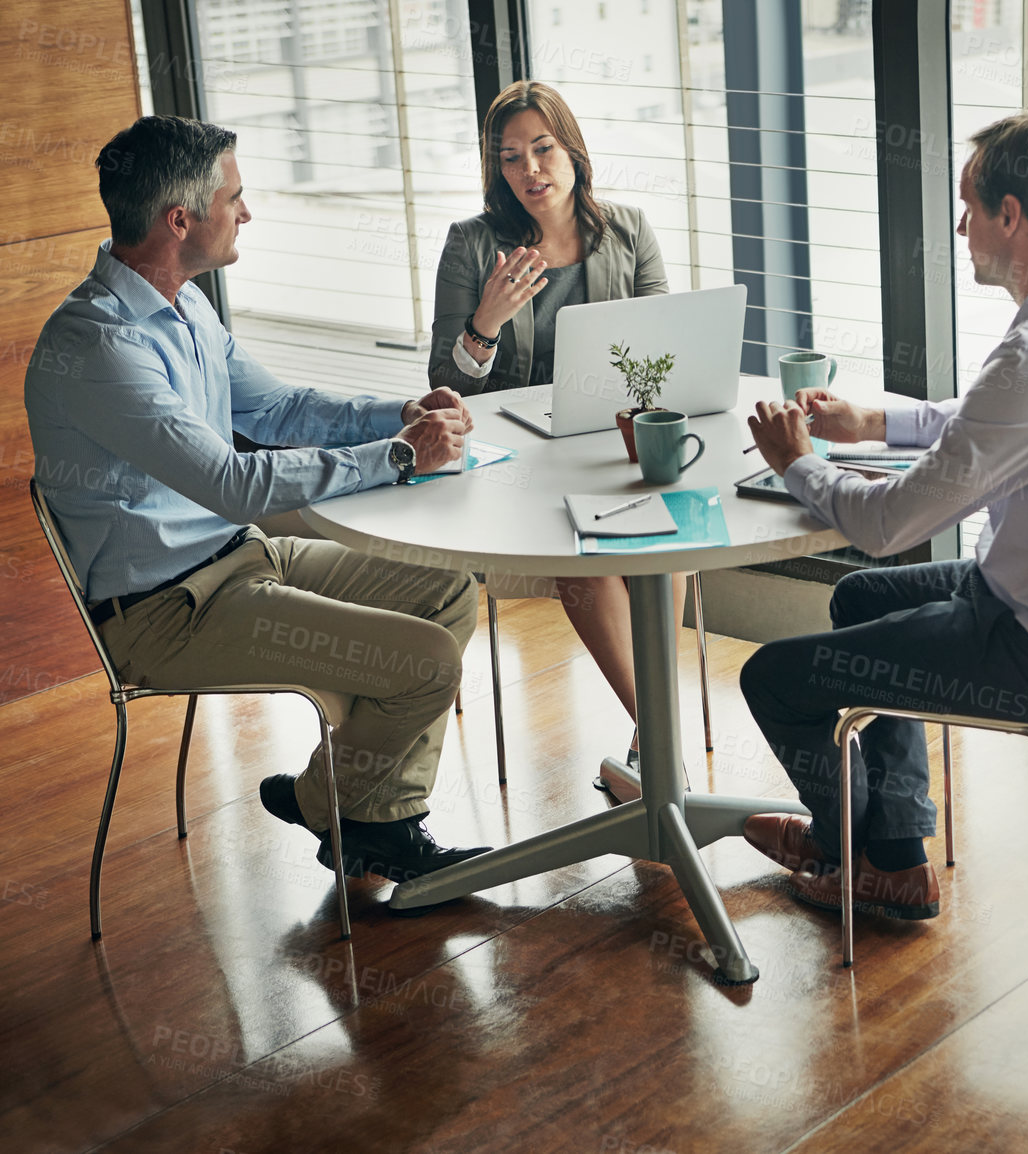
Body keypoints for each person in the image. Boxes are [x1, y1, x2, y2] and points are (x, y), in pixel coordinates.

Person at [26, 115, 490, 886]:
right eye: (234, 198)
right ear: (181, 220)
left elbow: (276, 410)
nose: (247, 213)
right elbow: (233, 482)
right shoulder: (101, 345)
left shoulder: (182, 305)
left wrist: (401, 414)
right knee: (426, 664)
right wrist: (403, 457)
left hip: (239, 557)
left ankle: (372, 824)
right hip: (165, 611)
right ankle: (328, 805)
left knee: (447, 593)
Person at [740, 115, 1028, 920]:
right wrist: (873, 424)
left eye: (969, 206)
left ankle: (846, 851)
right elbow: (997, 422)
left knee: (770, 676)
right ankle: (896, 854)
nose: (959, 226)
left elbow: (884, 527)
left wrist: (795, 462)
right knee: (860, 603)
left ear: (1010, 216)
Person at [429, 81, 687, 768]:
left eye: (543, 149)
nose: (530, 171)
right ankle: (661, 739)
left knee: (675, 528)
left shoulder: (628, 231)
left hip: (614, 446)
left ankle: (652, 745)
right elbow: (444, 389)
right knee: (591, 562)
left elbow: (666, 356)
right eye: (511, 158)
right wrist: (484, 324)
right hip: (518, 461)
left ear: (573, 151)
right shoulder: (473, 245)